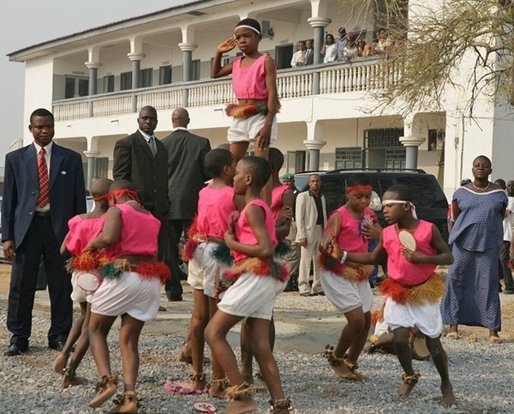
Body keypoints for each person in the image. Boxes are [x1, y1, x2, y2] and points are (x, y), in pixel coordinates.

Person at [343, 184, 456, 406]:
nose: (383, 210)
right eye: (383, 205)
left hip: (424, 292)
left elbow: (448, 257)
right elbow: (374, 258)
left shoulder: (427, 229)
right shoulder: (387, 233)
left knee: (433, 344)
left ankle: (446, 384)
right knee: (400, 338)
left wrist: (422, 258)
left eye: (389, 206)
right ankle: (410, 376)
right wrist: (344, 255)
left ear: (406, 207)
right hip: (398, 291)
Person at [204, 156, 291, 414]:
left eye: (238, 173)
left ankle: (241, 396)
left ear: (249, 179)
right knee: (260, 346)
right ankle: (280, 405)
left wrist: (231, 243)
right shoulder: (256, 207)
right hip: (263, 278)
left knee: (213, 332)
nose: (234, 177)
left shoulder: (253, 208)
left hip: (257, 275)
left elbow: (265, 248)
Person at [2, 108, 87, 356]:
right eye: (39, 126)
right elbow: (9, 202)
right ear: (31, 128)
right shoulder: (15, 159)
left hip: (58, 230)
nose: (45, 130)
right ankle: (19, 338)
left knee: (60, 285)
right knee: (21, 286)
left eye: (48, 126)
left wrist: (78, 235)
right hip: (26, 231)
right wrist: (7, 237)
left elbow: (78, 201)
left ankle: (59, 335)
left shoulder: (70, 159)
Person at [85, 180, 169, 412]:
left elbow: (108, 238)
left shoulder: (117, 210)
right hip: (149, 280)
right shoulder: (151, 217)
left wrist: (91, 245)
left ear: (113, 197)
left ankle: (107, 381)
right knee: (129, 341)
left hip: (124, 276)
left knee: (95, 329)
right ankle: (129, 397)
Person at [164, 148, 236, 397]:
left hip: (197, 248)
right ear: (227, 169)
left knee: (198, 316)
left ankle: (197, 377)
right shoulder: (233, 194)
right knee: (216, 320)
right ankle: (217, 382)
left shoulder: (203, 192)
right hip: (219, 252)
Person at [318, 174, 381, 381]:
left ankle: (351, 362)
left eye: (367, 197)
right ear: (348, 193)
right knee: (355, 320)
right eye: (359, 197)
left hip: (359, 272)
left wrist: (375, 232)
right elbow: (324, 243)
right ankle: (336, 358)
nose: (364, 201)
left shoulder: (370, 214)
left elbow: (382, 236)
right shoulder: (339, 216)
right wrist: (329, 246)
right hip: (338, 271)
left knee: (364, 321)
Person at [240, 147, 294, 383]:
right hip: (251, 252)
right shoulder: (251, 195)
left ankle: (262, 366)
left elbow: (285, 229)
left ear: (270, 167)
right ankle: (246, 368)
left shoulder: (285, 192)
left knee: (264, 315)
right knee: (248, 317)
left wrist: (268, 227)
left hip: (268, 253)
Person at [53, 177, 112, 388]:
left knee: (83, 316)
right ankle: (70, 372)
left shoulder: (78, 219)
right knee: (91, 326)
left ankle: (64, 351)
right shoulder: (110, 221)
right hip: (99, 276)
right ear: (109, 198)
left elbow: (62, 250)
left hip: (79, 274)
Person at [442, 156, 507, 343]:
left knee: (489, 284)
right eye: (477, 165)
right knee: (456, 280)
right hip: (462, 245)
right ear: (472, 169)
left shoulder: (499, 194)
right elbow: (455, 217)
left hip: (488, 245)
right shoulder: (461, 192)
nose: (480, 168)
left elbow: (500, 216)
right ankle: (453, 326)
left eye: (484, 166)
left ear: (490, 170)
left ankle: (493, 330)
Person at [112, 105, 169, 292]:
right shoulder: (126, 143)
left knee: (155, 252)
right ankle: (129, 290)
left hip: (158, 209)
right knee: (134, 251)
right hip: (136, 208)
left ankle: (151, 291)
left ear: (157, 122)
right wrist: (130, 203)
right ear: (138, 120)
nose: (148, 121)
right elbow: (120, 177)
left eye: (152, 118)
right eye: (144, 118)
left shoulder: (161, 147)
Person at [211, 18, 280, 162]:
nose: (242, 40)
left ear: (259, 37)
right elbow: (214, 74)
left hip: (260, 115)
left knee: (260, 163)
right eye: (238, 38)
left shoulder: (265, 61)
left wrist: (268, 125)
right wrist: (219, 52)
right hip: (240, 115)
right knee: (233, 162)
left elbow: (273, 95)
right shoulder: (236, 62)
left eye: (247, 36)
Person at [161, 107, 211, 301]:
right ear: (187, 121)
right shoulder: (201, 143)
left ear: (172, 121)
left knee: (169, 249)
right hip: (193, 203)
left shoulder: (162, 144)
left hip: (169, 203)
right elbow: (208, 173)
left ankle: (173, 290)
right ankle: (201, 286)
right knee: (198, 245)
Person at [296, 174, 327, 296]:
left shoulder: (322, 197)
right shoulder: (303, 196)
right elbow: (299, 217)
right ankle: (303, 287)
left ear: (320, 183)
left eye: (317, 181)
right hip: (308, 232)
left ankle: (317, 286)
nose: (315, 183)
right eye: (313, 181)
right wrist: (301, 235)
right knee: (305, 260)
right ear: (309, 183)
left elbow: (323, 215)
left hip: (320, 230)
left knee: (318, 260)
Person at [494, 179, 514, 294]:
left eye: (512, 186)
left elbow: (505, 214)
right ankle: (497, 285)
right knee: (497, 259)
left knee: (503, 259)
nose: (510, 187)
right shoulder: (504, 200)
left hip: (505, 234)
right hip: (498, 233)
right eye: (508, 185)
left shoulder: (511, 201)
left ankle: (510, 285)